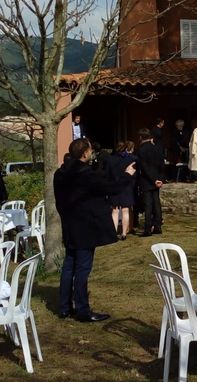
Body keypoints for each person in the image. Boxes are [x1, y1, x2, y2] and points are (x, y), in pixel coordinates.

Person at [54, 138, 136, 322]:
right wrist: (127, 175)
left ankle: (64, 307)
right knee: (82, 268)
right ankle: (82, 309)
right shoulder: (85, 174)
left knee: (69, 265)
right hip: (85, 226)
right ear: (85, 153)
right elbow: (110, 188)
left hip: (69, 224)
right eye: (90, 150)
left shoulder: (60, 173)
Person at [137, 128, 165, 237]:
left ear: (140, 137)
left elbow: (144, 167)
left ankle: (147, 228)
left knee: (148, 204)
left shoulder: (141, 150)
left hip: (147, 180)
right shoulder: (157, 148)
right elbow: (161, 165)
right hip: (157, 179)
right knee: (156, 203)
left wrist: (154, 180)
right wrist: (160, 179)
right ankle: (157, 226)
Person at [107, 141, 137, 240]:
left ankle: (114, 232)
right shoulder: (131, 159)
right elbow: (134, 174)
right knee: (125, 210)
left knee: (114, 211)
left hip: (114, 186)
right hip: (126, 186)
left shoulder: (110, 159)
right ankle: (124, 233)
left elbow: (107, 174)